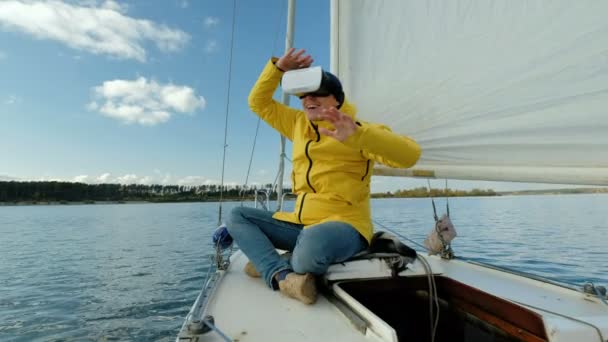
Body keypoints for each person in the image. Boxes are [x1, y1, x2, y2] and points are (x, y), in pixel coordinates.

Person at [227, 48, 421, 305]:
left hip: (345, 226)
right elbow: (258, 102)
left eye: (318, 94)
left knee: (310, 246)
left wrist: (358, 136)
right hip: (300, 223)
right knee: (237, 216)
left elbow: (410, 155)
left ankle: (269, 263)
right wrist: (278, 69)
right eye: (304, 95)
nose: (308, 99)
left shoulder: (358, 130)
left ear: (337, 100)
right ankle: (281, 274)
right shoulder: (297, 123)